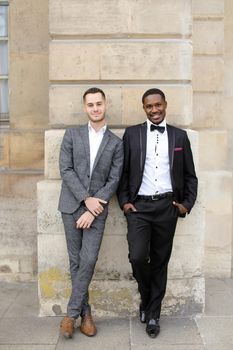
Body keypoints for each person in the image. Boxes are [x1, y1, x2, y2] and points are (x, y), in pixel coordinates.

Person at [117, 88, 197, 338]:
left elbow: (190, 176)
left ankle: (153, 314)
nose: (154, 110)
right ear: (144, 108)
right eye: (149, 106)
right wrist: (124, 203)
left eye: (158, 105)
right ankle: (146, 297)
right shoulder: (131, 134)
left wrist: (186, 205)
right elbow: (123, 173)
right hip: (139, 207)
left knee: (160, 261)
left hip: (167, 207)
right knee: (138, 257)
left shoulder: (180, 137)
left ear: (165, 105)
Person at [58, 87, 124, 339]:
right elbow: (65, 169)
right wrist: (85, 200)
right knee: (75, 262)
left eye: (99, 104)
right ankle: (85, 315)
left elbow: (114, 179)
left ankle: (70, 315)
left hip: (97, 210)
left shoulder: (116, 143)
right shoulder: (71, 135)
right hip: (71, 205)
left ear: (105, 105)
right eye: (90, 105)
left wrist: (94, 208)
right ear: (85, 107)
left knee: (88, 260)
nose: (95, 108)